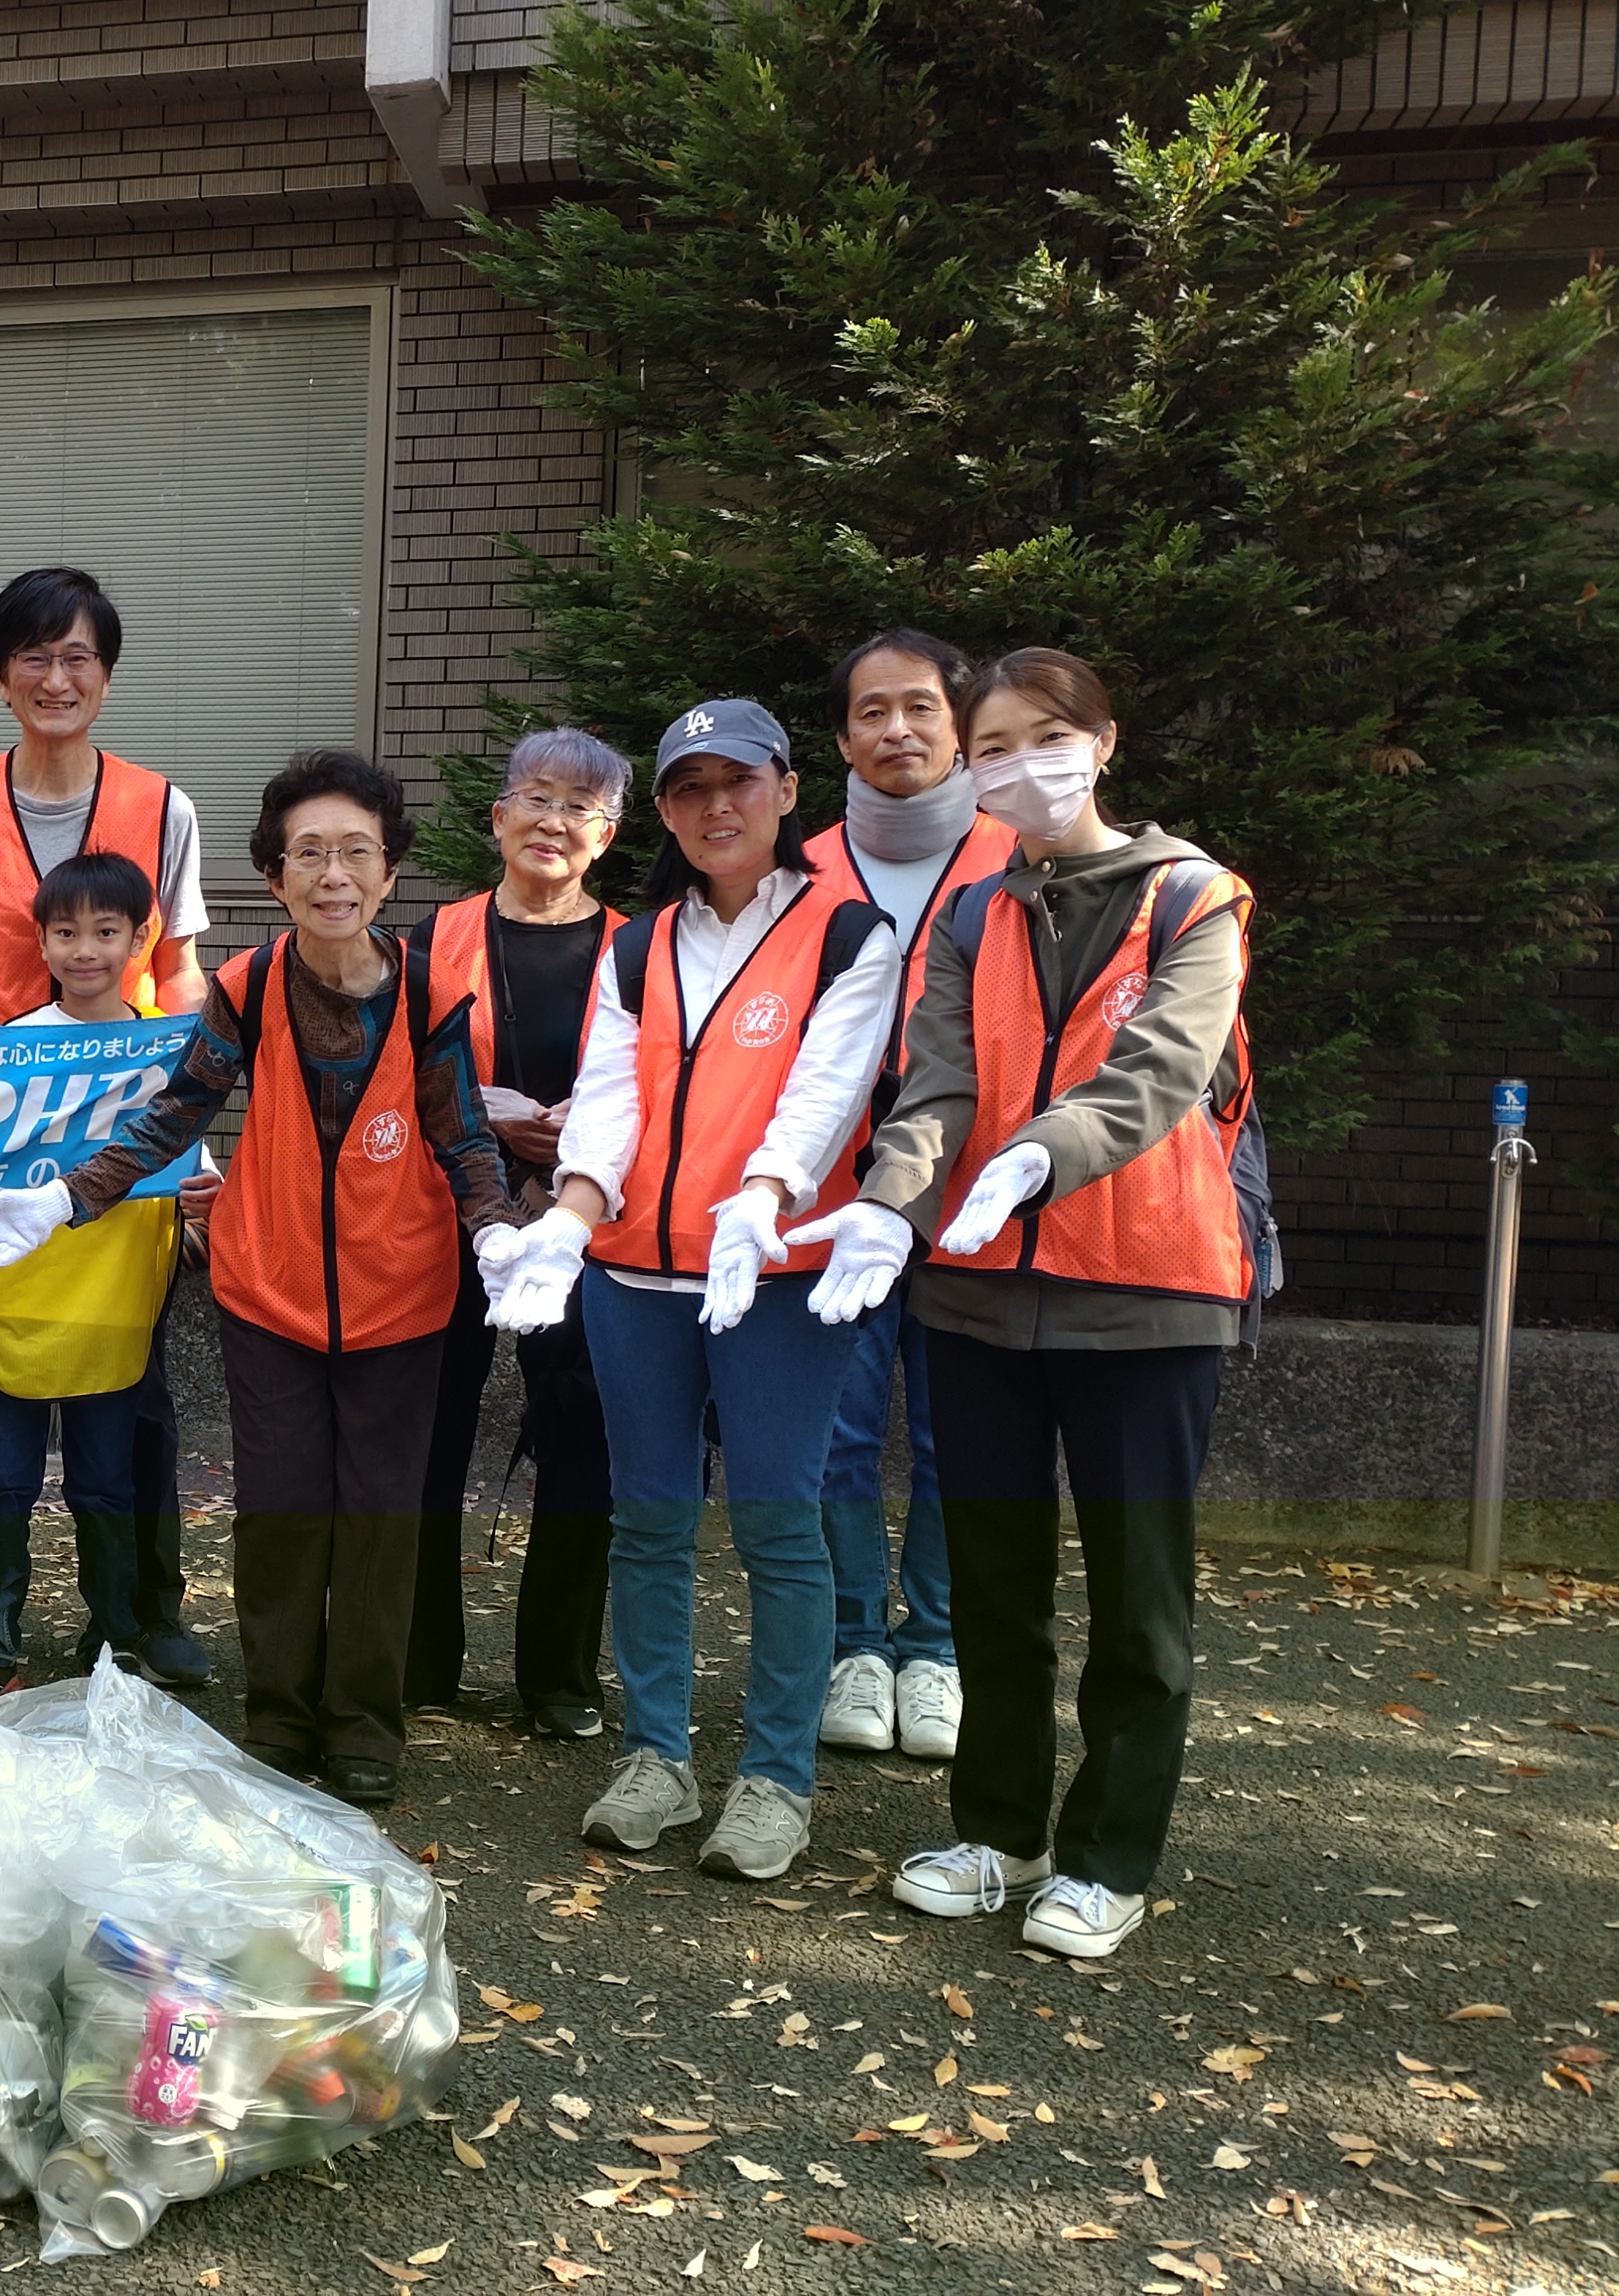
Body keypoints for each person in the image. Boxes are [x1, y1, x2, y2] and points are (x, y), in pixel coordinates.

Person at [0, 750, 586, 1807]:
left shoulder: (434, 989)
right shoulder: (247, 988)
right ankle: (282, 1718)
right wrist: (68, 1196)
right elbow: (171, 1115)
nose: (334, 874)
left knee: (381, 1522)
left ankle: (366, 1728)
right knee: (284, 1514)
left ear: (389, 874)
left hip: (402, 1299)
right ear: (276, 874)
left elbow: (463, 1132)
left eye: (357, 853)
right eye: (310, 855)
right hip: (269, 1295)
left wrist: (496, 1231)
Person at [794, 648, 1260, 1962]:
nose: (1019, 765)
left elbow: (1166, 1066)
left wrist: (1041, 1154)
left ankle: (1111, 1854)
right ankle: (998, 1831)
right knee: (994, 1589)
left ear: (1102, 743)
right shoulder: (969, 915)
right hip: (982, 1299)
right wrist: (896, 1200)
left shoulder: (1192, 898)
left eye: (1045, 736)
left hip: (1149, 1296)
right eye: (993, 746)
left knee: (1139, 1600)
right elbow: (934, 1086)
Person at [525, 699, 902, 1881]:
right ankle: (656, 1757)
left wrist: (768, 1194)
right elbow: (609, 1094)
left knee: (783, 1527)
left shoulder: (849, 932)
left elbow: (831, 1090)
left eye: (738, 781)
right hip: (634, 1274)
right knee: (649, 1521)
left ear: (790, 790)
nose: (716, 806)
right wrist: (567, 1217)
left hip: (778, 1276)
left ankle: (778, 1781)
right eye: (689, 789)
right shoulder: (637, 944)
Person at [0, 568, 215, 1690]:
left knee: (135, 1395)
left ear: (107, 676)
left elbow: (182, 975)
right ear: (1, 674)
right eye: (34, 656)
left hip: (123, 1151)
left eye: (78, 658)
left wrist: (192, 1138)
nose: (56, 677)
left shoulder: (164, 808)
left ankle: (149, 1613)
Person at [0, 853, 190, 1705]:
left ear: (143, 938)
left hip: (115, 1299)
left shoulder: (170, 1049)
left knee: (106, 1481)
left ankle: (117, 1637)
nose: (86, 949)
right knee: (7, 1480)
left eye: (107, 931)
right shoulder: (11, 1052)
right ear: (42, 940)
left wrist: (205, 1196)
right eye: (66, 931)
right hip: (15, 1304)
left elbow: (187, 1163)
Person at [802, 631, 1018, 1760]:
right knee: (837, 1432)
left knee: (955, 1433)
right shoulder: (803, 865)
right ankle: (852, 1643)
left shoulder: (1020, 856)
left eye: (920, 709)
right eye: (872, 712)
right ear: (841, 739)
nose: (898, 731)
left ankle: (933, 1647)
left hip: (973, 1186)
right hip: (836, 1193)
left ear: (957, 721)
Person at [411, 726, 628, 1740]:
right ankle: (420, 1658)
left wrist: (578, 1132)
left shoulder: (644, 946)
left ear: (608, 834)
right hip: (448, 1207)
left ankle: (558, 1675)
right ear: (498, 818)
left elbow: (663, 1083)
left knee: (581, 1434)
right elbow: (394, 1068)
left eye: (579, 808)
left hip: (586, 1222)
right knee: (428, 1423)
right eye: (535, 799)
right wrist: (476, 1113)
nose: (553, 822)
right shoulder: (431, 938)